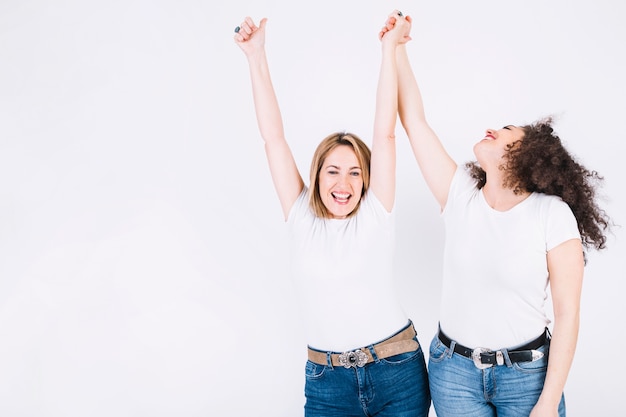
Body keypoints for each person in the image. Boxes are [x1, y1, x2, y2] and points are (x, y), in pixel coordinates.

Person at [379, 12, 611, 417]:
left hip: (527, 378)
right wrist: (397, 50)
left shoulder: (552, 216)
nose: (493, 130)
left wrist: (547, 402)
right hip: (454, 374)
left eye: (507, 131)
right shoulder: (460, 196)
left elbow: (568, 316)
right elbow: (414, 121)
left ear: (528, 157)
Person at [233, 10, 431, 417]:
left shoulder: (377, 212)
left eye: (356, 172)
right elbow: (273, 138)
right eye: (334, 171)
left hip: (397, 370)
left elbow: (385, 132)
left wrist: (389, 50)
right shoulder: (301, 218)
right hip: (327, 383)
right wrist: (256, 56)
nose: (344, 184)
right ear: (317, 175)